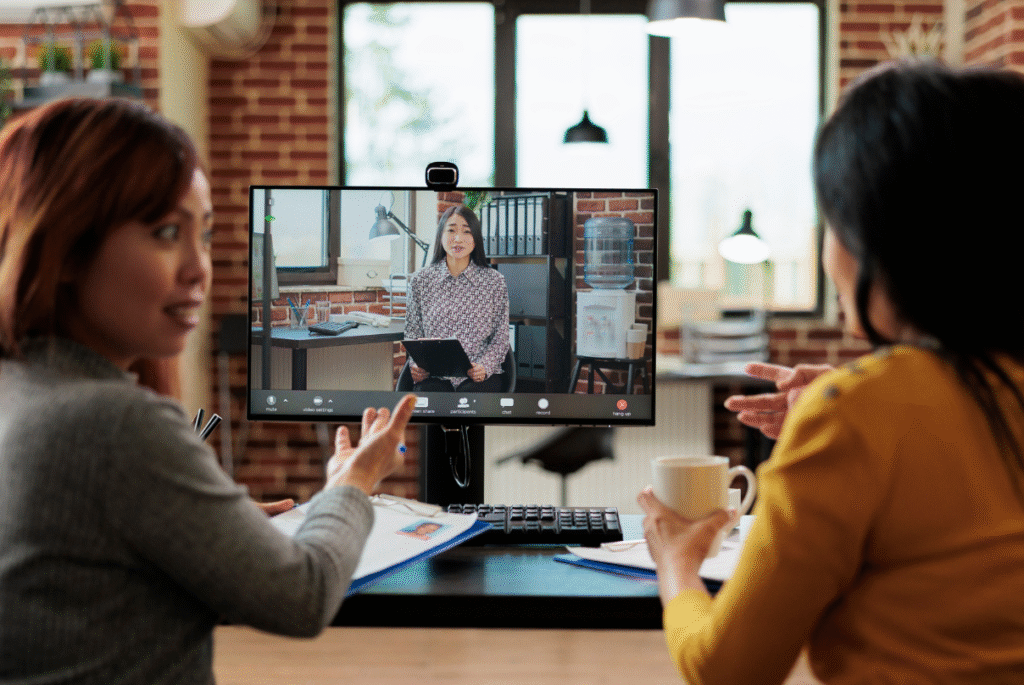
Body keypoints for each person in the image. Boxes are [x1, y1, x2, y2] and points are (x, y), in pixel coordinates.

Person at [0, 96, 416, 683]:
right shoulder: (114, 422)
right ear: (64, 246)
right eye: (167, 232)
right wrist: (354, 481)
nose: (199, 269)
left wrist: (188, 516)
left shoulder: (19, 385)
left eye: (206, 235)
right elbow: (303, 594)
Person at [639, 60, 1024, 684]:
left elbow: (726, 672)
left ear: (881, 239)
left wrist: (677, 562)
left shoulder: (858, 413)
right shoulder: (866, 408)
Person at [404, 204, 510, 392]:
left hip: (478, 376)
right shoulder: (420, 281)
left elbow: (501, 338)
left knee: (470, 397)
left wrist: (484, 367)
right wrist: (415, 365)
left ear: (476, 239)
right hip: (434, 375)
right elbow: (412, 334)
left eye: (466, 232)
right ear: (441, 236)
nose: (458, 238)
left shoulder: (494, 281)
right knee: (429, 396)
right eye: (451, 230)